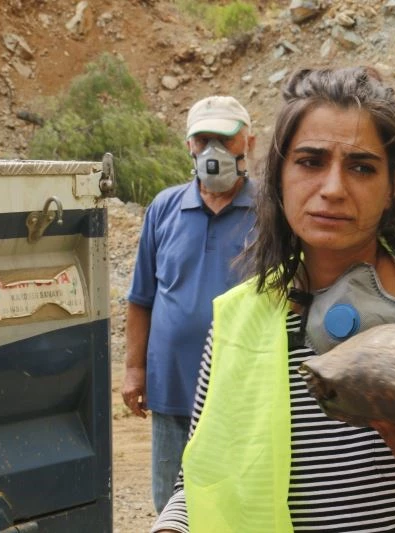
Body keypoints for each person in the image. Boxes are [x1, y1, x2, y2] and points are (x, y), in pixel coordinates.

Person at [152, 67, 395, 532]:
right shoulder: (240, 317)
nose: (333, 189)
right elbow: (199, 479)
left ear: (393, 184)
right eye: (310, 162)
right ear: (279, 175)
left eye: (362, 167)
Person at [122, 95, 257, 514]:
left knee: (237, 505)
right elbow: (141, 298)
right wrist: (134, 370)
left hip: (243, 394)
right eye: (203, 140)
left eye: (224, 139)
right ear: (189, 146)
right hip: (172, 391)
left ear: (248, 143)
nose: (213, 150)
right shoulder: (163, 208)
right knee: (171, 505)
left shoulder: (273, 213)